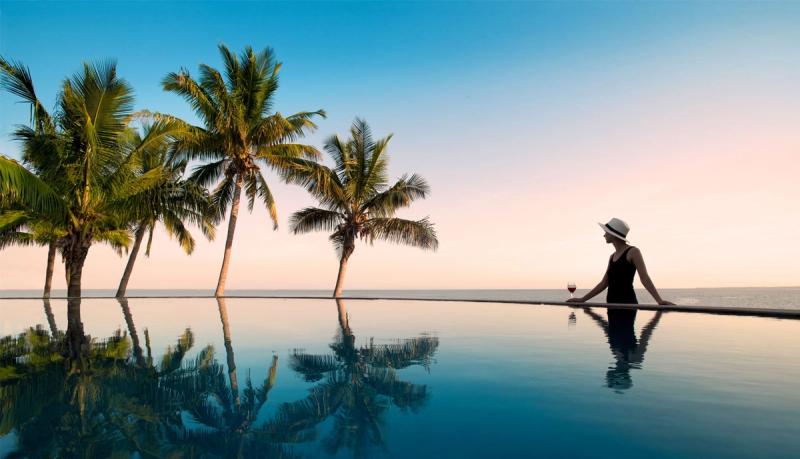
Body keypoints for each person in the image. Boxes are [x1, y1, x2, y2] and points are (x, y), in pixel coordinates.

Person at [566, 217, 674, 306]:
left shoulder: (633, 252)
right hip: (611, 304)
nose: (604, 235)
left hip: (627, 304)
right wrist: (582, 300)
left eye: (606, 232)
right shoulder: (611, 257)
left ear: (613, 234)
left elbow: (644, 278)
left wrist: (659, 300)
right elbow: (604, 283)